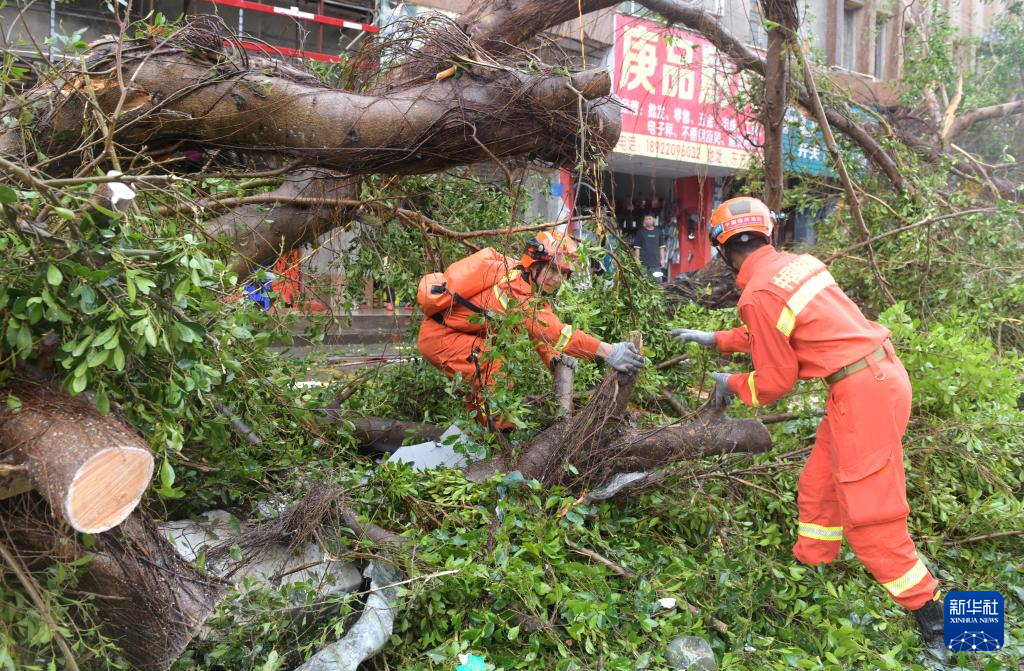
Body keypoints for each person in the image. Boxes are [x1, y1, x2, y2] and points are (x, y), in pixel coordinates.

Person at [668, 196, 944, 649]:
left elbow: (776, 380)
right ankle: (813, 568)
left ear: (722, 248)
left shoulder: (757, 293)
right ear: (767, 233)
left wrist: (732, 383)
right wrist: (715, 339)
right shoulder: (800, 264)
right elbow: (784, 328)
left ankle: (941, 623)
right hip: (876, 377)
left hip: (864, 396)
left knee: (871, 517)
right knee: (818, 483)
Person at [418, 231, 645, 428]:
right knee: (491, 367)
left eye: (563, 273)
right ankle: (503, 437)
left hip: (457, 335)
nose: (556, 279)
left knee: (486, 372)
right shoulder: (515, 289)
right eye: (552, 269)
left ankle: (478, 432)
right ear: (534, 263)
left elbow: (535, 330)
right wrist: (609, 351)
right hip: (441, 338)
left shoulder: (527, 285)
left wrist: (552, 358)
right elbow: (555, 332)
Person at [633, 214, 666, 282]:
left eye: (649, 219)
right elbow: (637, 248)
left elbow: (661, 247)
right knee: (643, 282)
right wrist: (637, 260)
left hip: (656, 263)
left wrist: (662, 260)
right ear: (644, 221)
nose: (648, 221)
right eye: (646, 219)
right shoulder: (640, 232)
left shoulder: (658, 232)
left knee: (658, 282)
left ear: (654, 220)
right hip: (643, 263)